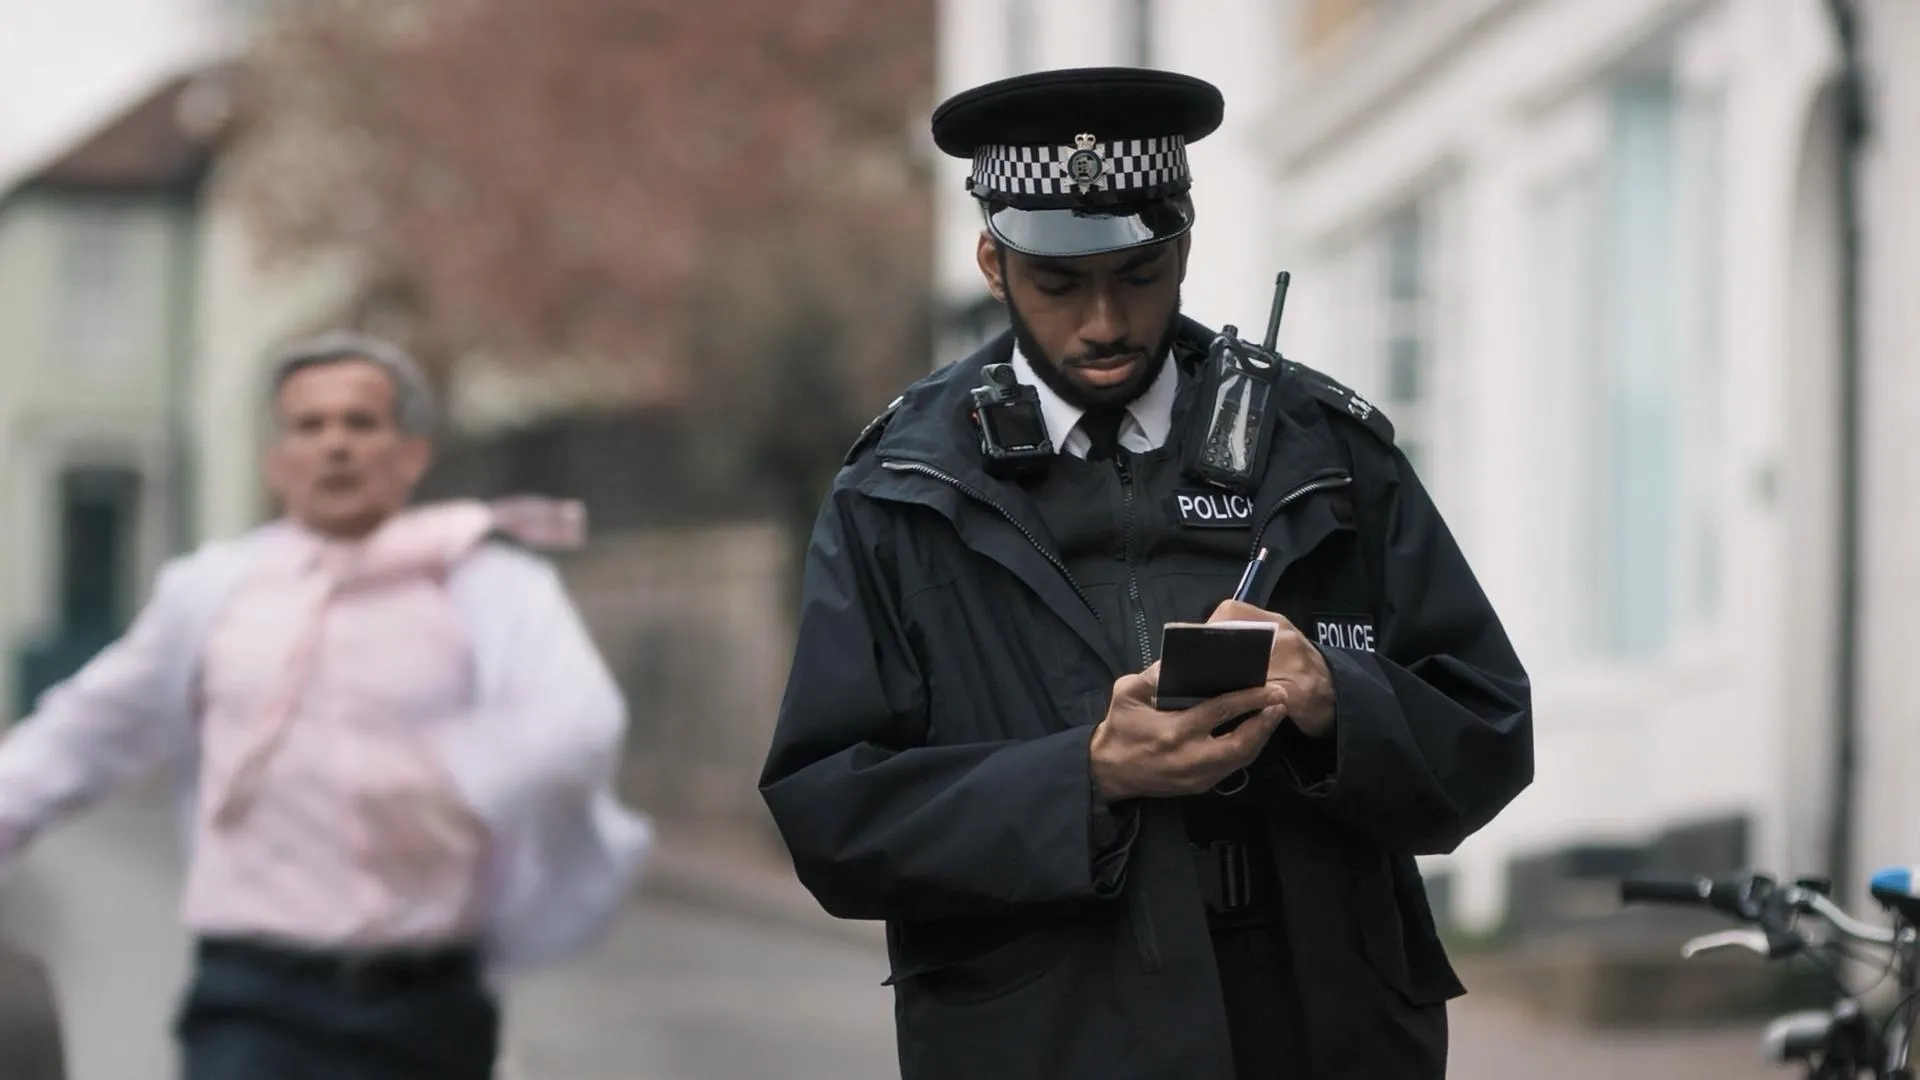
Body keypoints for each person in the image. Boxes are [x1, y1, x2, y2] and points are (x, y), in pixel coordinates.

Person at [759, 67, 1533, 1079]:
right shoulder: (899, 492)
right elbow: (832, 818)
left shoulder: (1323, 453)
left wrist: (1335, 698)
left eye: (1137, 273)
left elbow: (1487, 730)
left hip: (1318, 1031)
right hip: (1048, 1042)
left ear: (1184, 248)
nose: (1105, 324)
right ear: (994, 263)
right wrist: (1084, 777)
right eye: (1060, 283)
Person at [0, 331, 652, 1079]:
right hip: (254, 995)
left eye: (360, 423)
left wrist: (450, 781)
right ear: (277, 461)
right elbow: (77, 738)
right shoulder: (210, 596)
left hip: (425, 999)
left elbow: (578, 721)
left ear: (411, 453)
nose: (335, 445)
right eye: (309, 426)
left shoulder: (485, 585)